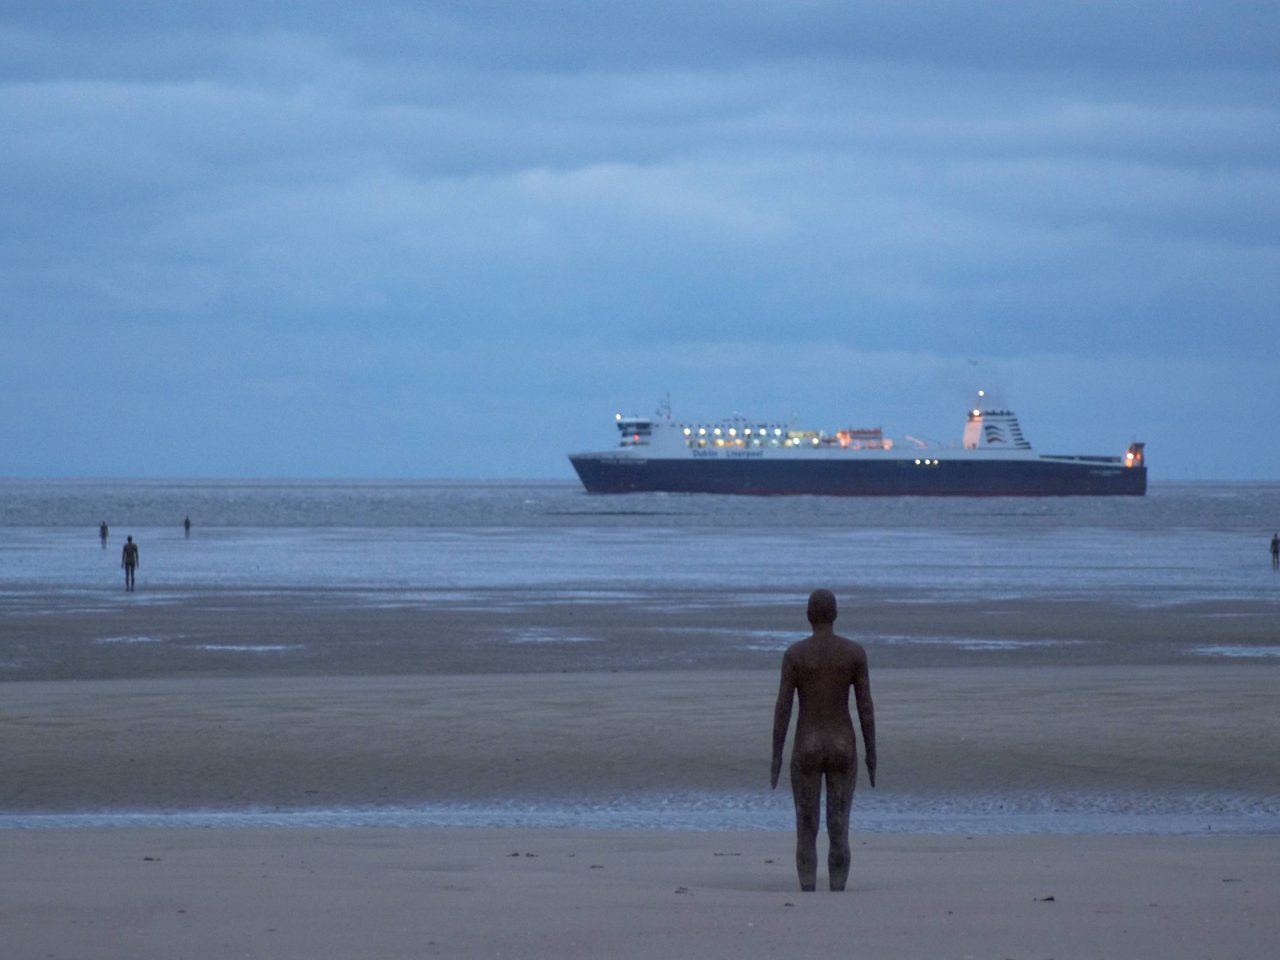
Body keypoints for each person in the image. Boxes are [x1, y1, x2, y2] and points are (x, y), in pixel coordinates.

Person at [771, 589, 876, 892]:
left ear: (808, 615)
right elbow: (865, 707)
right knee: (838, 824)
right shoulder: (854, 653)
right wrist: (871, 753)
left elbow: (783, 708)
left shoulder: (795, 655)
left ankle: (807, 887)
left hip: (807, 743)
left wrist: (776, 755)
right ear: (835, 615)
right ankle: (837, 888)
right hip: (843, 744)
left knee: (807, 825)